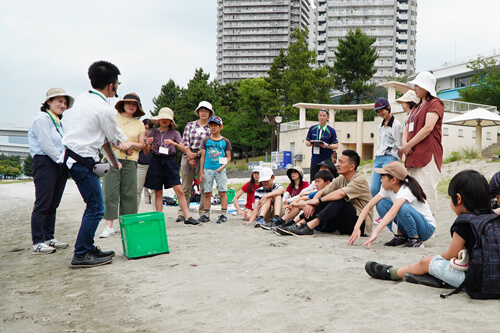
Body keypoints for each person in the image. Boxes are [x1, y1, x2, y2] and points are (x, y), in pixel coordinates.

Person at [364, 170, 491, 289]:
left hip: (477, 283)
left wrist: (433, 257)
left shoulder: (464, 223)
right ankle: (438, 279)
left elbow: (450, 255)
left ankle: (391, 272)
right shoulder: (493, 218)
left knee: (425, 262)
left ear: (458, 199)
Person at [63, 60, 130, 268]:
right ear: (111, 85)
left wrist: (114, 161)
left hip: (74, 158)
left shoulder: (83, 99)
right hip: (83, 160)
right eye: (117, 83)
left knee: (94, 205)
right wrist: (125, 145)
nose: (117, 87)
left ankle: (88, 247)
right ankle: (81, 253)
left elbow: (102, 139)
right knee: (96, 207)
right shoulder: (104, 109)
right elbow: (114, 138)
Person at [277, 150, 372, 237]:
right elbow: (322, 191)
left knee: (338, 199)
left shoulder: (359, 180)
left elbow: (341, 194)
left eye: (341, 162)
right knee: (325, 197)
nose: (338, 164)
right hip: (344, 224)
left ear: (352, 167)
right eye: (338, 161)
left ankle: (308, 227)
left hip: (360, 225)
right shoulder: (341, 179)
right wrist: (312, 203)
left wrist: (317, 201)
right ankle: (298, 225)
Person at [28, 88, 74, 254]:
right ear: (49, 101)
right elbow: (46, 144)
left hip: (58, 163)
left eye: (64, 102)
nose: (62, 105)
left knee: (53, 204)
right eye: (59, 101)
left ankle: (49, 237)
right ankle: (38, 241)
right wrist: (62, 160)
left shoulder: (59, 122)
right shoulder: (42, 119)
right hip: (46, 162)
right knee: (43, 203)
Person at [348, 161, 435, 248]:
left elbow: (393, 212)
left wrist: (375, 232)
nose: (380, 180)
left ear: (393, 180)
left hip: (426, 229)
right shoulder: (388, 189)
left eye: (382, 177)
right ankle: (400, 236)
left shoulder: (405, 190)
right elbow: (369, 206)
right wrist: (357, 227)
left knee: (401, 207)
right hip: (408, 225)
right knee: (381, 204)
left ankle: (415, 240)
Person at [99, 93, 146, 238]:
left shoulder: (139, 123)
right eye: (128, 103)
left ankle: (128, 225)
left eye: (134, 104)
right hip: (112, 159)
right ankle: (109, 226)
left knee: (130, 193)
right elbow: (105, 136)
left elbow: (141, 144)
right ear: (123, 104)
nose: (131, 106)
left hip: (131, 161)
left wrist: (130, 144)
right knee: (110, 191)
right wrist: (120, 146)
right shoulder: (113, 117)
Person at [144, 107, 199, 226]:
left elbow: (184, 149)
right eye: (162, 118)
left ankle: (187, 216)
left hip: (170, 160)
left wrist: (174, 143)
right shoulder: (152, 132)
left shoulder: (175, 133)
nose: (164, 121)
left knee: (179, 189)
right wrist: (147, 144)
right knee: (158, 191)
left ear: (171, 121)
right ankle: (159, 217)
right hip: (156, 161)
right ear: (158, 120)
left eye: (167, 119)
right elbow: (146, 152)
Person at [402, 71, 444, 214]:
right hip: (413, 155)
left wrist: (409, 145)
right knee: (411, 192)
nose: (414, 88)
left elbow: (428, 128)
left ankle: (428, 226)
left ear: (426, 87)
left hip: (427, 153)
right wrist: (405, 145)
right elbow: (407, 127)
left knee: (426, 191)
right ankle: (415, 229)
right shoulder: (416, 107)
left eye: (417, 85)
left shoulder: (435, 103)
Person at [179, 101, 214, 220]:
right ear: (198, 112)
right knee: (185, 187)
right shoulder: (190, 125)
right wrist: (190, 155)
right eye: (201, 111)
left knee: (204, 186)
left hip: (204, 156)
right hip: (187, 155)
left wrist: (196, 154)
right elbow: (184, 141)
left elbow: (211, 143)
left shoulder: (212, 126)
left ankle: (203, 212)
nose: (203, 113)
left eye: (206, 111)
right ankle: (182, 213)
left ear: (210, 113)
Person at [199, 116, 232, 224]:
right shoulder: (206, 141)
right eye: (211, 125)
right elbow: (203, 157)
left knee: (222, 191)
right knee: (207, 192)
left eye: (216, 125)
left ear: (220, 127)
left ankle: (223, 214)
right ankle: (206, 214)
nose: (213, 127)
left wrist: (222, 167)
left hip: (220, 169)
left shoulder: (225, 141)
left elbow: (228, 157)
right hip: (208, 168)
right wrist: (201, 172)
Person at [370, 98, 402, 197]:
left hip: (390, 158)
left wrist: (398, 162)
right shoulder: (380, 125)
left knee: (387, 189)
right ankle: (385, 211)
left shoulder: (396, 124)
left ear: (388, 108)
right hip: (378, 158)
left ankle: (390, 211)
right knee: (373, 189)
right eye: (378, 111)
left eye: (382, 110)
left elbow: (399, 145)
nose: (380, 113)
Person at [305, 109, 338, 180]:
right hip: (315, 158)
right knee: (313, 179)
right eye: (320, 115)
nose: (322, 117)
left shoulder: (331, 130)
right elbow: (306, 142)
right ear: (318, 117)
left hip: (326, 158)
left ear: (328, 118)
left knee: (326, 179)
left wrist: (328, 146)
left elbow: (336, 145)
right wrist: (311, 143)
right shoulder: (312, 128)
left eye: (324, 116)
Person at [136, 119, 155, 209]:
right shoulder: (137, 138)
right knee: (137, 190)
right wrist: (143, 142)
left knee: (155, 190)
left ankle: (156, 212)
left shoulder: (154, 138)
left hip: (153, 164)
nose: (147, 131)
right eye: (145, 129)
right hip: (141, 164)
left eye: (149, 129)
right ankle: (134, 212)